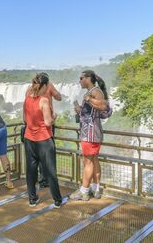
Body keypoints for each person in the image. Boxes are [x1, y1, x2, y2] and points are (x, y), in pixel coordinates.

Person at [23, 73, 62, 208]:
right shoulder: (44, 101)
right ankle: (57, 200)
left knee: (31, 170)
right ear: (44, 86)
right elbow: (47, 122)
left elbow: (25, 118)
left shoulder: (27, 99)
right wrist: (54, 116)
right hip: (44, 140)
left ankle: (32, 199)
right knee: (50, 171)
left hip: (29, 139)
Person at [70, 70, 110, 201]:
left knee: (87, 162)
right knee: (93, 160)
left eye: (81, 78)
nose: (79, 81)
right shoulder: (94, 91)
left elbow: (103, 106)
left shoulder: (95, 92)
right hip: (92, 132)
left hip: (90, 134)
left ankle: (84, 191)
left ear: (88, 78)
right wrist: (80, 109)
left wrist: (88, 99)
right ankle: (95, 187)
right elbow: (92, 112)